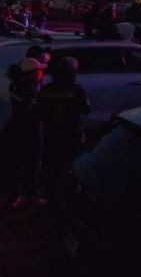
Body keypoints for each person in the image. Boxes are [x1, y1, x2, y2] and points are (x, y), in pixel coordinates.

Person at [38, 57, 91, 204]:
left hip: (52, 134)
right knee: (72, 165)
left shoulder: (46, 90)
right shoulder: (77, 90)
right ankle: (70, 194)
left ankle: (49, 195)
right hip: (71, 134)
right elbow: (86, 109)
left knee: (51, 165)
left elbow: (39, 110)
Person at [5, 53, 48, 210]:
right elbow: (35, 109)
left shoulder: (15, 85)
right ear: (30, 74)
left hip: (17, 127)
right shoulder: (29, 90)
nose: (40, 73)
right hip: (30, 130)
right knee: (32, 164)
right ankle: (31, 196)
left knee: (17, 164)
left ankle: (14, 196)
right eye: (38, 71)